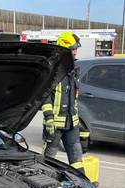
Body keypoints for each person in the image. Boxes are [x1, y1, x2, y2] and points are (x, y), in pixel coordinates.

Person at [42, 32, 84, 173]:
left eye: (76, 49)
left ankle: (83, 182)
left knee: (77, 158)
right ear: (63, 50)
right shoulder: (53, 70)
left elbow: (74, 97)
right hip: (55, 125)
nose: (75, 52)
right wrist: (49, 118)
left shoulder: (74, 69)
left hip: (72, 124)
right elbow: (45, 96)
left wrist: (78, 122)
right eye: (72, 49)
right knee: (48, 161)